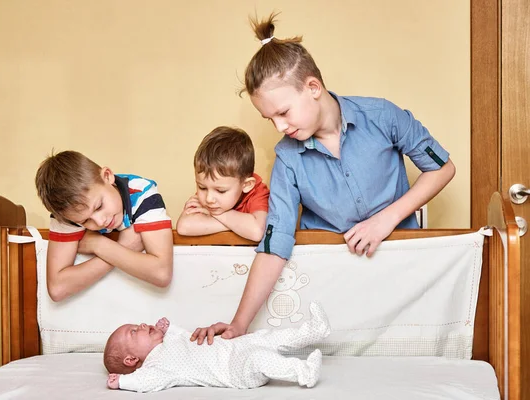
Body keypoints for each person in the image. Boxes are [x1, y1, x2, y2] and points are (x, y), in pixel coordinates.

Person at [191, 13, 456, 345]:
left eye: (283, 112)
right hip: (331, 281)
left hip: (400, 271)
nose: (279, 127)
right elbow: (275, 244)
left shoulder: (382, 116)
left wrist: (385, 220)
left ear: (313, 87)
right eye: (268, 118)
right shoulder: (287, 158)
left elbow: (442, 167)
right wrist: (238, 324)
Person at [35, 150, 173, 302]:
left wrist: (98, 244)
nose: (100, 222)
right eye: (86, 221)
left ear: (107, 176)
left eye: (99, 206)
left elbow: (162, 274)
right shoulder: (68, 213)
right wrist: (123, 247)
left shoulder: (142, 193)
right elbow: (57, 289)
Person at [104, 302, 330, 392]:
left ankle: (313, 331)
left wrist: (169, 327)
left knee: (267, 337)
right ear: (131, 360)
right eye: (134, 331)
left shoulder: (170, 341)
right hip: (235, 371)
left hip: (234, 347)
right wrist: (122, 382)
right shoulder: (157, 366)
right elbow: (146, 382)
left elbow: (187, 336)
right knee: (260, 357)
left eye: (138, 325)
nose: (142, 325)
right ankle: (304, 372)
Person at [176, 126, 270, 241]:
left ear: (246, 185)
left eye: (221, 191)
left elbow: (257, 232)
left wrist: (217, 215)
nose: (209, 199)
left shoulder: (258, 192)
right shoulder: (210, 191)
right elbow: (184, 227)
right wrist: (240, 226)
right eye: (202, 188)